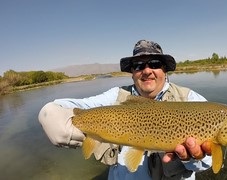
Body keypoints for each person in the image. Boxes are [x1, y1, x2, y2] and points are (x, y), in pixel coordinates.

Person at [39, 40, 213, 180]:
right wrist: (73, 125)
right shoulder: (116, 97)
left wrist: (194, 158)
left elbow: (207, 163)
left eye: (154, 63)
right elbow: (63, 108)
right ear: (132, 72)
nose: (147, 71)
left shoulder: (190, 100)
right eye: (138, 65)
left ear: (164, 69)